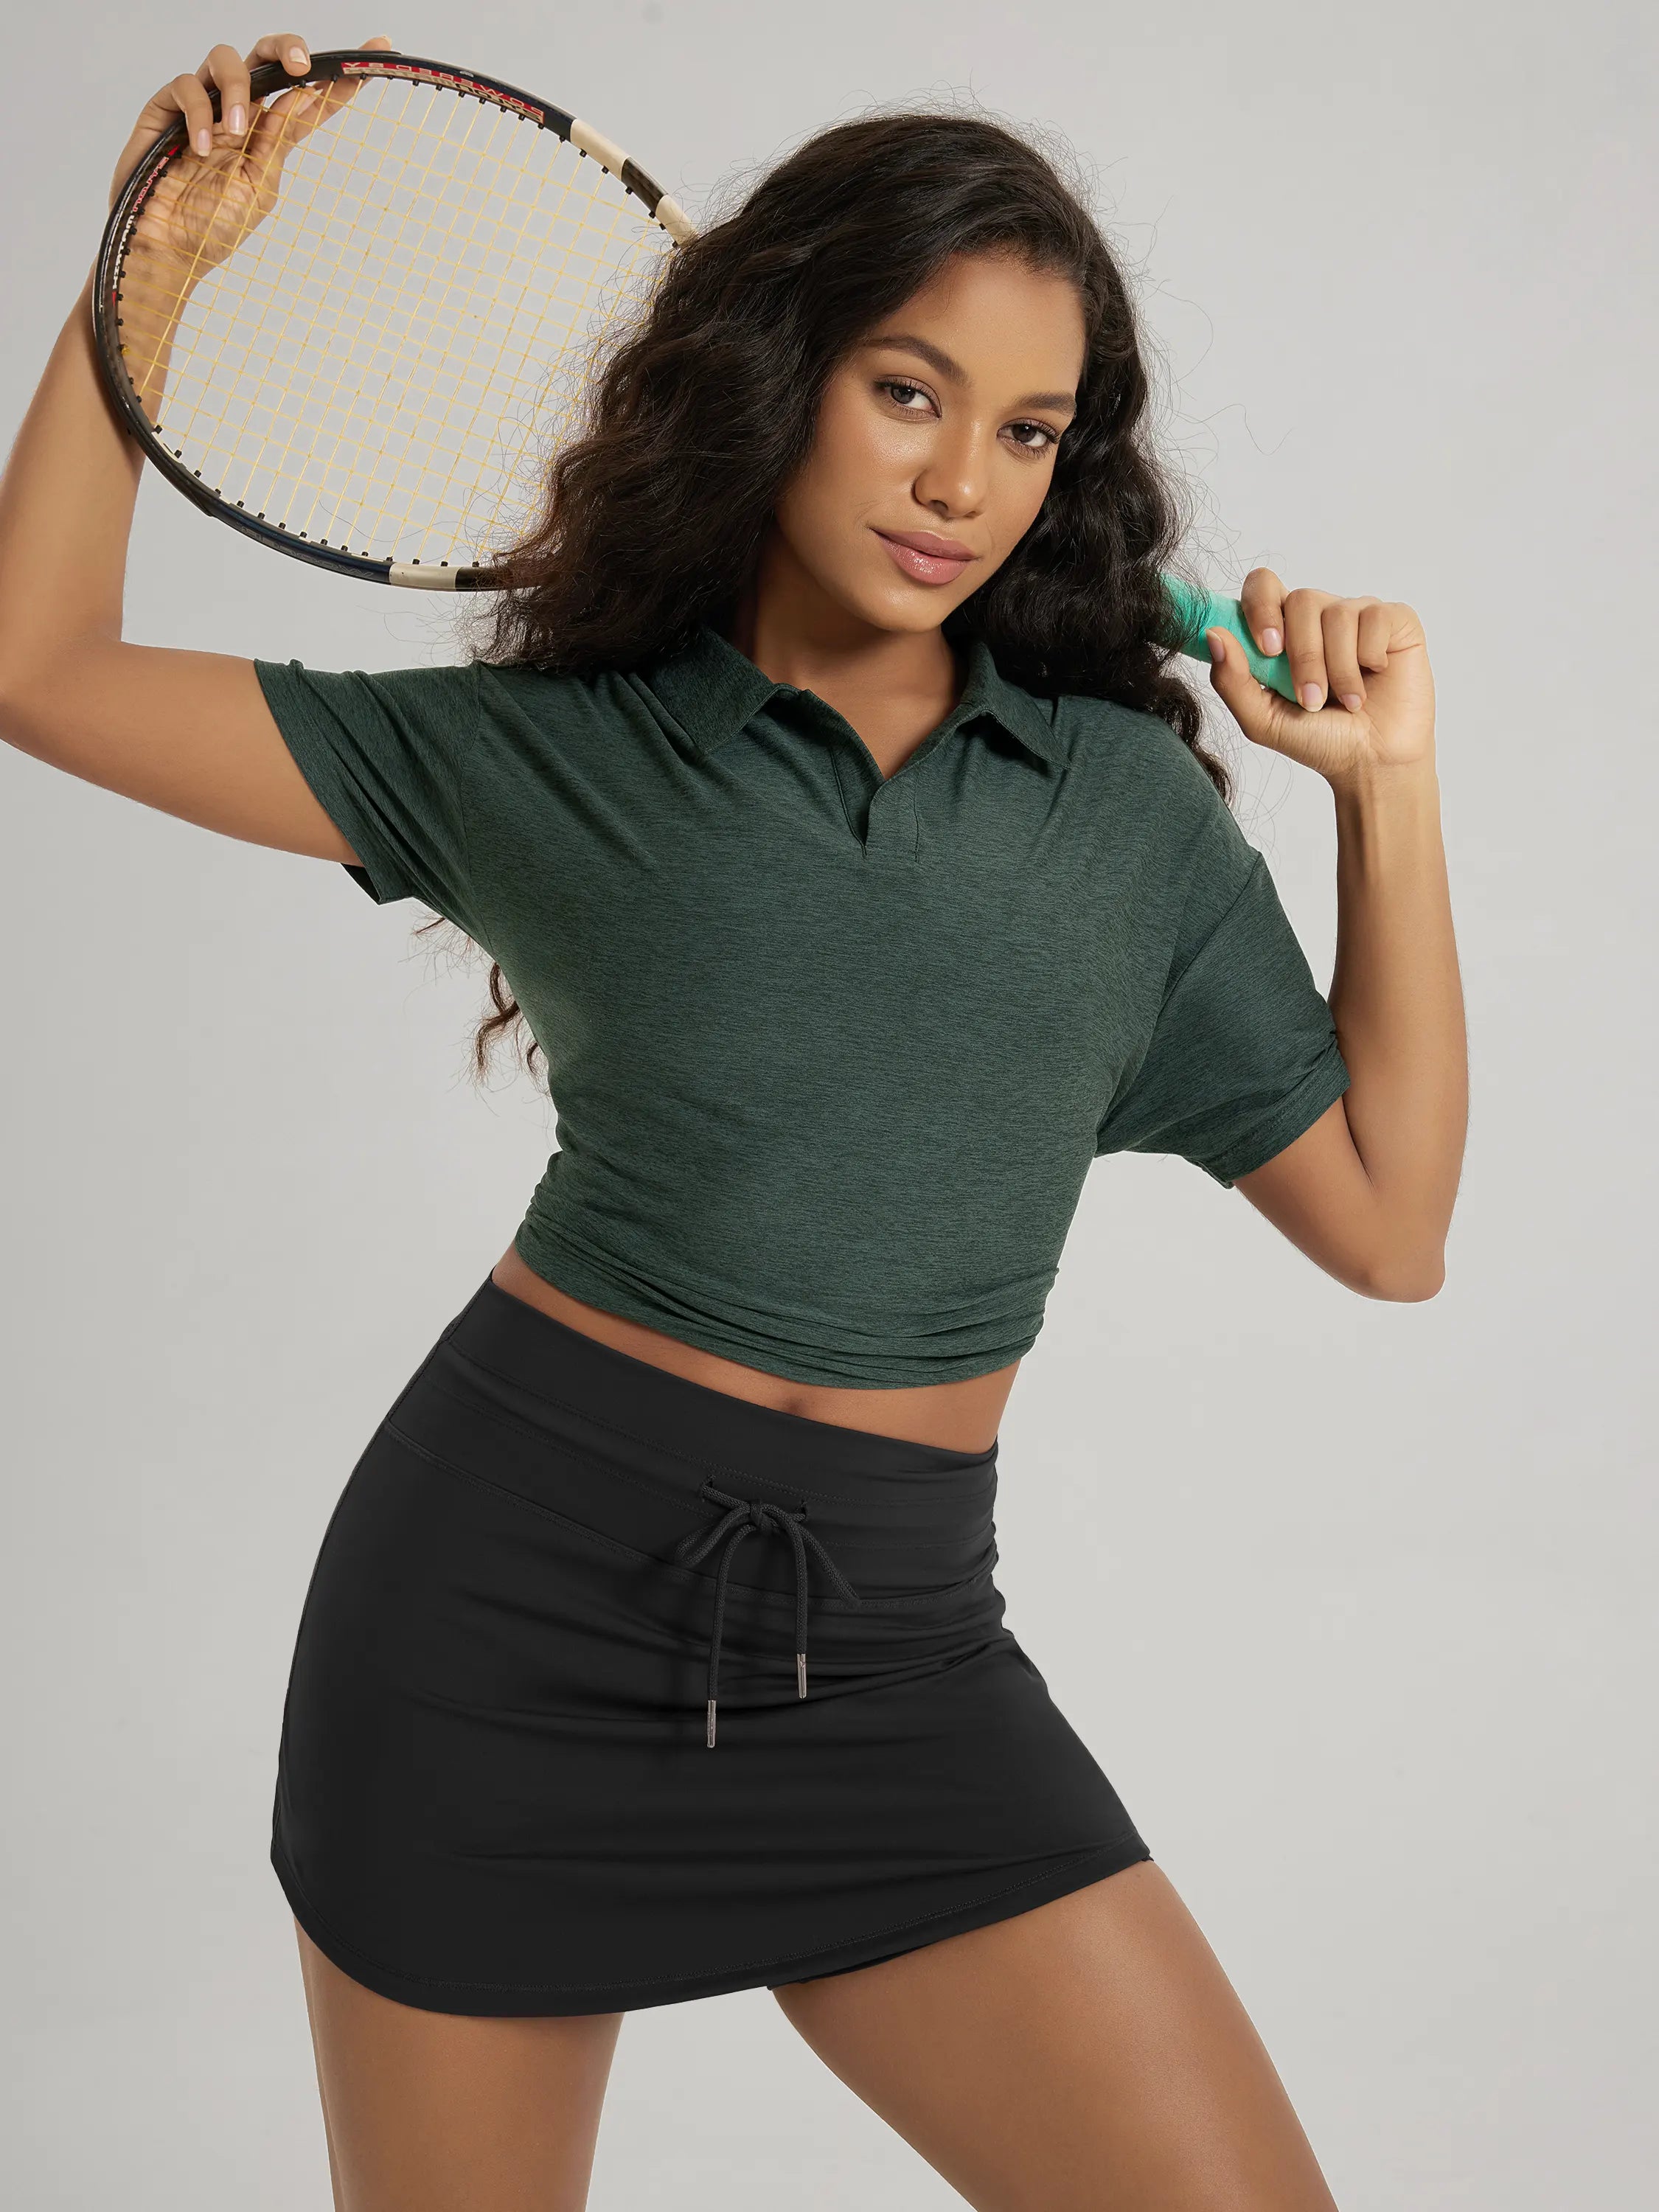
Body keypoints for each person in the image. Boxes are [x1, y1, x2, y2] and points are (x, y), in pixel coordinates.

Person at [0, 26, 1466, 2212]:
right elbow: (36, 667)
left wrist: (1386, 798)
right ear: (779, 377)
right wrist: (148, 294)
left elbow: (1388, 1224)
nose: (960, 481)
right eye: (908, 390)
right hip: (488, 1637)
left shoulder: (1126, 819)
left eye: (1026, 431)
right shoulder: (555, 754)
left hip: (890, 1666)